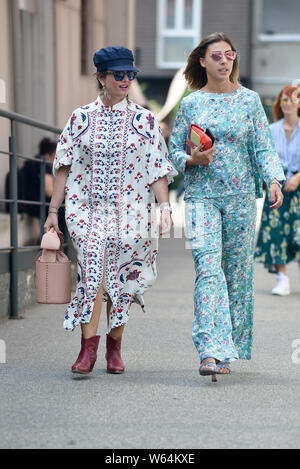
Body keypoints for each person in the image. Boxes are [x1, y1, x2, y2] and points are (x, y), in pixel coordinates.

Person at [44, 46, 177, 375]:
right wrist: (52, 211)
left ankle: (114, 347)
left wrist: (164, 208)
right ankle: (87, 349)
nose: (125, 80)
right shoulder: (81, 118)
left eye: (130, 74)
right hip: (85, 210)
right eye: (118, 74)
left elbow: (156, 169)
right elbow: (63, 166)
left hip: (132, 212)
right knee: (91, 271)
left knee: (122, 276)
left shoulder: (144, 120)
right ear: (101, 77)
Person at [169, 32, 285, 378]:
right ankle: (209, 349)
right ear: (202, 62)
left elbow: (263, 146)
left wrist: (274, 179)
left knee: (236, 274)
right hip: (202, 196)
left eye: (229, 55)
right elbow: (173, 152)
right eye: (216, 55)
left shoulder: (249, 101)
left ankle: (227, 349)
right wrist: (193, 159)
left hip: (240, 198)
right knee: (208, 268)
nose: (224, 60)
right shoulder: (190, 103)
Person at [255, 85, 300, 295]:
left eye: (292, 100)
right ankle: (282, 277)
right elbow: (264, 158)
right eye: (284, 100)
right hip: (277, 188)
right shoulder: (271, 130)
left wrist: (298, 177)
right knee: (276, 233)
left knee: (297, 234)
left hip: (298, 188)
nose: (287, 104)